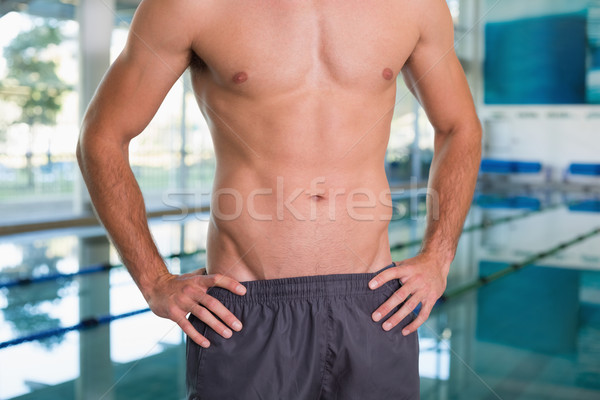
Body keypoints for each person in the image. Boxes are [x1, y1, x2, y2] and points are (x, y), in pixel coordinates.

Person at [76, 0, 481, 398]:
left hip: (375, 304)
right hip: (244, 310)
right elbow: (101, 138)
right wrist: (154, 281)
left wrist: (437, 257)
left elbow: (460, 126)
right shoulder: (190, 6)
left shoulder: (415, 6)